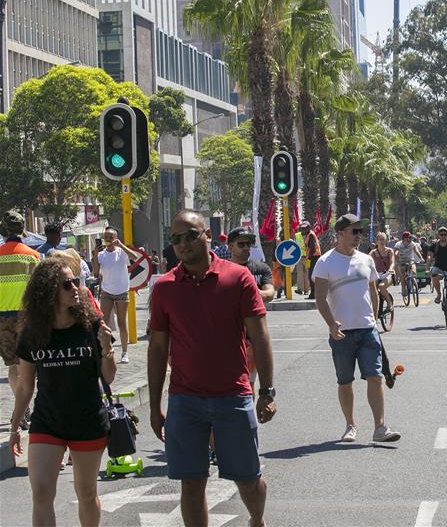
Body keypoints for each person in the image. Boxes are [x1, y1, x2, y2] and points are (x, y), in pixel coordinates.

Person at [149, 211, 276, 527]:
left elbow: (259, 335)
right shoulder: (164, 288)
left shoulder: (238, 277)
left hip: (232, 396)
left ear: (207, 235)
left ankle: (257, 520)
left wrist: (267, 391)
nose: (183, 244)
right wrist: (154, 406)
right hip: (184, 400)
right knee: (191, 482)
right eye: (175, 239)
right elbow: (157, 349)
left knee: (248, 478)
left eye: (190, 235)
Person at [8, 257, 116, 526]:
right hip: (48, 422)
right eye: (67, 284)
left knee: (86, 492)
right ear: (48, 292)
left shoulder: (90, 327)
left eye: (76, 282)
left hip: (88, 421)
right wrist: (14, 426)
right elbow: (25, 385)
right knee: (42, 491)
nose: (76, 288)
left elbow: (108, 376)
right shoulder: (32, 333)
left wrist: (107, 349)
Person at [312, 214, 401, 443]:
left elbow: (372, 290)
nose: (358, 236)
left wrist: (374, 315)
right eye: (354, 232)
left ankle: (380, 427)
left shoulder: (366, 259)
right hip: (341, 333)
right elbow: (320, 298)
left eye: (360, 232)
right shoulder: (325, 262)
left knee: (375, 376)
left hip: (367, 329)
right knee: (345, 381)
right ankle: (350, 425)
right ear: (340, 234)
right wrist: (331, 324)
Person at [0, 211, 43, 431]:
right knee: (26, 366)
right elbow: (39, 290)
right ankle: (24, 409)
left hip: (2, 317)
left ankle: (21, 410)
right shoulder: (33, 256)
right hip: (26, 317)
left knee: (12, 367)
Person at [228, 226, 276, 396]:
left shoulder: (260, 269)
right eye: (241, 244)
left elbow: (269, 293)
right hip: (228, 337)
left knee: (248, 385)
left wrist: (247, 292)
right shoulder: (221, 270)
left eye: (249, 244)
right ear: (230, 247)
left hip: (253, 337)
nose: (247, 248)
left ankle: (248, 420)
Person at [92, 226, 139, 364]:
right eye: (106, 237)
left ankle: (125, 352)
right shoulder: (101, 254)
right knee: (104, 322)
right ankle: (106, 348)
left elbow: (135, 257)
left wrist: (121, 245)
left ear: (116, 238)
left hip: (122, 291)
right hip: (107, 291)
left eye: (111, 237)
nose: (108, 240)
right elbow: (95, 272)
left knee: (121, 322)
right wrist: (95, 254)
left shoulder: (121, 252)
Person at [370, 232, 395, 313]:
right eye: (380, 239)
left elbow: (392, 262)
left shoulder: (389, 251)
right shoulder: (373, 252)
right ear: (376, 241)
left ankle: (389, 303)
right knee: (370, 289)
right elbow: (366, 261)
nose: (382, 241)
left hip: (388, 274)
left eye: (383, 239)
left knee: (381, 286)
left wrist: (391, 268)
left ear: (386, 241)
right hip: (377, 275)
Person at [395, 232, 423, 298]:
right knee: (402, 274)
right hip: (401, 261)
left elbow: (416, 251)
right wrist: (396, 256)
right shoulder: (398, 244)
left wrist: (421, 258)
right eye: (409, 238)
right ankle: (403, 288)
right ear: (404, 238)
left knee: (413, 271)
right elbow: (396, 251)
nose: (411, 239)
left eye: (411, 238)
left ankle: (413, 282)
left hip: (410, 260)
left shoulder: (412, 243)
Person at [300, 221, 322, 299]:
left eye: (304, 228)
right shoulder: (309, 235)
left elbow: (312, 247)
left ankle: (313, 294)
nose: (302, 230)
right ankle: (313, 294)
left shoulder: (311, 235)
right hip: (313, 257)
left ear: (308, 228)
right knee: (311, 276)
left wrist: (309, 259)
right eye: (302, 228)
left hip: (314, 258)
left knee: (311, 276)